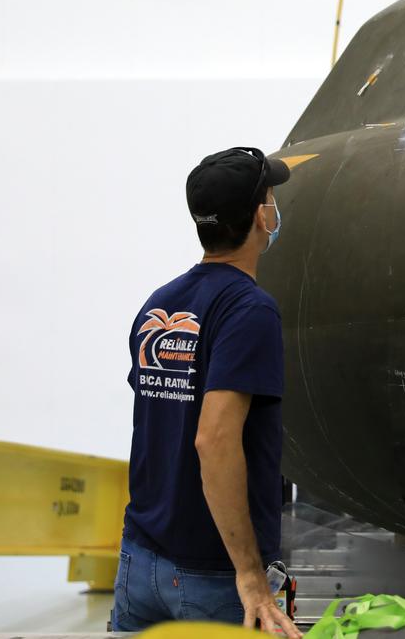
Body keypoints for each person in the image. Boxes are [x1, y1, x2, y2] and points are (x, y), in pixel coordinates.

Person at [112, 147, 301, 637]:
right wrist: (250, 575)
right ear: (262, 216)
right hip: (213, 578)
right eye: (271, 199)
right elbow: (213, 440)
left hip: (140, 560)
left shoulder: (160, 304)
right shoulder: (249, 311)